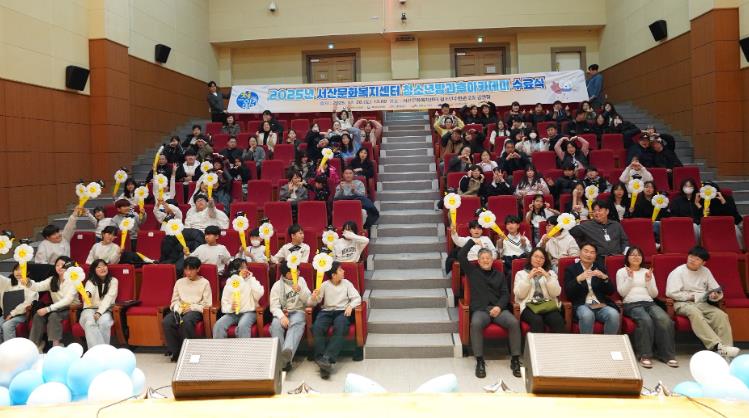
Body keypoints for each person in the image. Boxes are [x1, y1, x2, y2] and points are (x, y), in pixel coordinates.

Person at [459, 240, 522, 378]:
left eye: (488, 258)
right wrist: (472, 242)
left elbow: (505, 294)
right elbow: (461, 255)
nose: (485, 260)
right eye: (482, 258)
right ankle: (480, 361)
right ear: (478, 261)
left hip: (498, 309)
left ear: (492, 260)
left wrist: (499, 307)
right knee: (476, 323)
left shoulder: (499, 275)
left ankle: (515, 359)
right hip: (481, 310)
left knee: (513, 322)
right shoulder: (472, 272)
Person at [666, 246, 739, 357]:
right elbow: (671, 293)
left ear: (703, 263)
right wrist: (692, 296)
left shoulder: (706, 271)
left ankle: (727, 351)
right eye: (691, 256)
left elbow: (716, 289)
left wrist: (715, 295)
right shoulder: (678, 272)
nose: (692, 260)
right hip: (682, 303)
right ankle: (716, 346)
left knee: (720, 315)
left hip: (702, 303)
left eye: (697, 259)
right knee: (694, 312)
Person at [616, 247, 677, 368]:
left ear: (642, 258)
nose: (636, 257)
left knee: (664, 319)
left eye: (638, 255)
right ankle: (645, 355)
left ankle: (667, 355)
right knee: (645, 320)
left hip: (649, 302)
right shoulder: (622, 272)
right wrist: (630, 278)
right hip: (631, 303)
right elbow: (622, 293)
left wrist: (648, 281)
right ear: (627, 257)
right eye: (632, 254)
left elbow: (654, 295)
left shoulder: (647, 271)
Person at [309, 261, 362, 379]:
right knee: (317, 327)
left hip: (342, 311)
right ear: (333, 275)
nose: (343, 271)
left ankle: (327, 359)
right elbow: (314, 302)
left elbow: (357, 298)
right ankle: (322, 360)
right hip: (326, 311)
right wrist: (313, 297)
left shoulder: (347, 283)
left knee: (341, 326)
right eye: (340, 270)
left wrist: (350, 306)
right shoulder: (324, 285)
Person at [162, 256, 212, 361]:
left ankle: (190, 352)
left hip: (195, 309)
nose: (188, 273)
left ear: (198, 269)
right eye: (186, 269)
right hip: (180, 309)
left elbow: (207, 304)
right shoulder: (179, 282)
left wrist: (192, 307)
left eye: (191, 269)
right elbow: (174, 300)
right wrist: (177, 307)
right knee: (167, 321)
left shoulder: (205, 283)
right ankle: (176, 353)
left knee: (186, 321)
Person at [563, 243, 620, 334]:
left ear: (595, 256)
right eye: (586, 251)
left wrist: (605, 278)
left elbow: (610, 292)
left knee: (613, 314)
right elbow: (568, 293)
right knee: (587, 315)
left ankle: (608, 342)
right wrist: (578, 279)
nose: (588, 255)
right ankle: (587, 343)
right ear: (580, 252)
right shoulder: (571, 269)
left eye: (592, 252)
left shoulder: (600, 268)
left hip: (599, 304)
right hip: (582, 304)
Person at [26, 257, 79, 351]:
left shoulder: (74, 279)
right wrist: (28, 282)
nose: (60, 267)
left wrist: (48, 309)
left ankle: (56, 345)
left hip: (71, 308)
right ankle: (35, 345)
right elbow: (37, 287)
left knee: (54, 315)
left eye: (62, 265)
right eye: (57, 265)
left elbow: (67, 300)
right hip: (56, 308)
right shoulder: (52, 279)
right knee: (38, 315)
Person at [270, 263, 311, 371]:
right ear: (288, 274)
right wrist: (282, 317)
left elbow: (308, 301)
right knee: (275, 325)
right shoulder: (277, 285)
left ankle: (285, 357)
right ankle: (283, 360)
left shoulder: (301, 281)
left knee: (296, 323)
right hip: (282, 312)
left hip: (298, 311)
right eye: (296, 271)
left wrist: (300, 290)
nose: (299, 272)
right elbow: (274, 306)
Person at [513, 248, 566, 333]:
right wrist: (528, 277)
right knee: (537, 320)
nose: (538, 259)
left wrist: (547, 277)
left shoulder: (551, 273)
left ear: (545, 260)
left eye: (542, 258)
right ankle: (536, 342)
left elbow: (556, 293)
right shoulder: (521, 274)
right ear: (530, 257)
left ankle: (558, 342)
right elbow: (520, 295)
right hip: (528, 306)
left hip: (547, 305)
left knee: (557, 320)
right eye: (536, 256)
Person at [213, 259, 264, 339]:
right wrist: (231, 307)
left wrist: (250, 279)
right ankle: (220, 347)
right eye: (242, 268)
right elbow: (225, 301)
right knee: (218, 325)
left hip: (249, 312)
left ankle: (243, 347)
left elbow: (259, 293)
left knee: (243, 325)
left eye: (246, 267)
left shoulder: (251, 279)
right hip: (233, 313)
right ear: (235, 270)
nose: (245, 270)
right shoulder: (230, 282)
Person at [79, 259, 118, 347]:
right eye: (98, 267)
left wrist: (99, 312)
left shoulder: (113, 281)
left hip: (105, 310)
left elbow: (109, 298)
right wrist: (87, 295)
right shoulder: (90, 282)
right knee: (89, 323)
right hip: (89, 310)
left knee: (104, 322)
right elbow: (89, 291)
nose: (102, 268)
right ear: (94, 270)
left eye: (104, 266)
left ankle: (98, 351)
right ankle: (102, 351)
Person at [0, 263, 37, 342]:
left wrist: (12, 314)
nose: (18, 272)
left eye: (21, 270)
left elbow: (28, 302)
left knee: (7, 325)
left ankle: (11, 348)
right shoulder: (8, 283)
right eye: (16, 270)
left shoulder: (31, 283)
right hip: (6, 314)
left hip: (22, 315)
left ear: (27, 272)